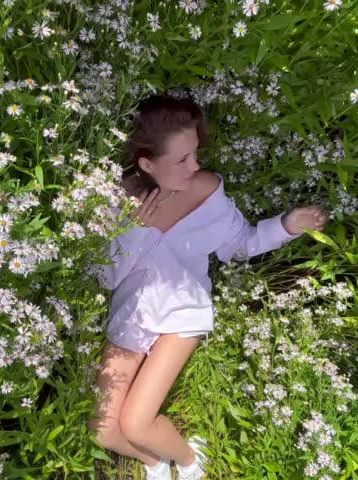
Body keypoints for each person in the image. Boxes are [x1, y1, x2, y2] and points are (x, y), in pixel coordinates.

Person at [87, 94, 328, 480]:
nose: (194, 167)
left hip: (182, 313)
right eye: (181, 160)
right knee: (103, 429)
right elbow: (106, 277)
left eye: (195, 154)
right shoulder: (115, 202)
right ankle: (156, 465)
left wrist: (288, 225)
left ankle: (190, 462)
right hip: (131, 317)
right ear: (147, 163)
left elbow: (241, 244)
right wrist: (135, 230)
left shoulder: (207, 192)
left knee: (136, 423)